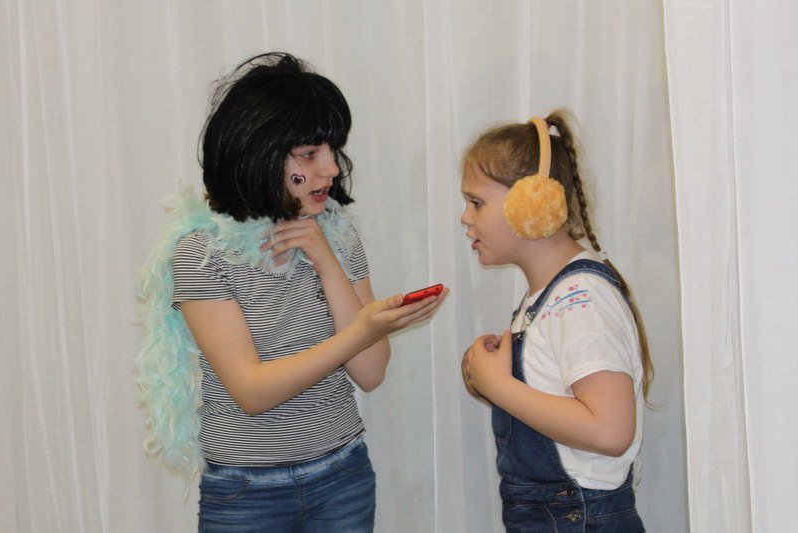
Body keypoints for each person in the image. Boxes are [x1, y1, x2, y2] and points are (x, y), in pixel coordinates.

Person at [137, 52, 445, 532]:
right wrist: (362, 330)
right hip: (246, 493)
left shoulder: (337, 234)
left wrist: (326, 262)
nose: (330, 169)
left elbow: (370, 371)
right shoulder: (201, 252)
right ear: (258, 153)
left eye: (332, 150)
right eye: (309, 154)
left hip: (342, 476)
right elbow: (252, 391)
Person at [459, 110, 652, 531]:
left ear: (530, 204)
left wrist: (501, 387)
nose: (465, 218)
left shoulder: (580, 301)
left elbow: (610, 431)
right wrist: (492, 376)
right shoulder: (551, 299)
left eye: (476, 202)